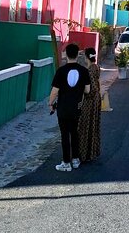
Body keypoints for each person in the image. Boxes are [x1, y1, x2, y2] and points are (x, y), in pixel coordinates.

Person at [49, 43, 90, 172]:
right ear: (78, 55)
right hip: (76, 107)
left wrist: (51, 104)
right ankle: (76, 159)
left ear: (66, 54)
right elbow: (88, 90)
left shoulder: (60, 71)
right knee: (75, 133)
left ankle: (66, 162)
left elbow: (55, 91)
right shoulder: (84, 71)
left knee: (64, 135)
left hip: (62, 108)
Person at [79, 47, 101, 162]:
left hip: (90, 100)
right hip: (96, 98)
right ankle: (91, 151)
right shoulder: (96, 67)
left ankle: (84, 153)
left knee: (86, 125)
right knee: (93, 125)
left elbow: (90, 89)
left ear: (86, 57)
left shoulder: (89, 70)